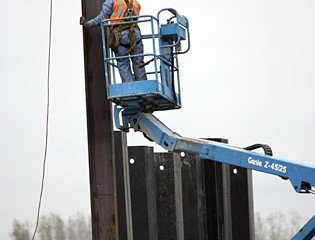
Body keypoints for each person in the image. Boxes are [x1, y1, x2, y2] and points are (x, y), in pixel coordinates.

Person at [80, 0, 147, 83]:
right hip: (135, 35)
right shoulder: (134, 2)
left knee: (123, 63)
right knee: (138, 63)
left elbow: (102, 18)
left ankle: (129, 87)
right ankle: (143, 84)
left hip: (120, 36)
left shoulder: (111, 1)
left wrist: (87, 24)